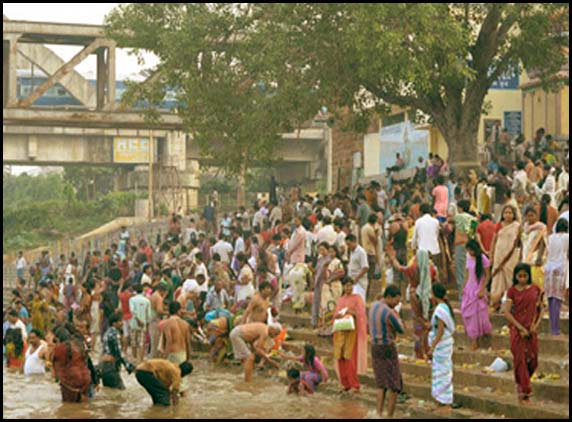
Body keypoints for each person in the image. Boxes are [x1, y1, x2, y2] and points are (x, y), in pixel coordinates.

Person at [503, 263, 544, 404]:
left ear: (529, 276)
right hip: (517, 330)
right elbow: (507, 312)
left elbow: (541, 310)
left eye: (525, 276)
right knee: (519, 360)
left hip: (531, 330)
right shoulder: (512, 292)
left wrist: (535, 326)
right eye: (519, 276)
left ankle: (522, 383)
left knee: (534, 360)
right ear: (515, 276)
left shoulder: (535, 290)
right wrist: (519, 328)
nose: (522, 279)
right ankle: (524, 392)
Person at [389, 249, 437, 360]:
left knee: (418, 326)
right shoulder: (431, 268)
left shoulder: (413, 268)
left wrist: (393, 258)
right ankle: (429, 352)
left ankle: (420, 354)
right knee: (428, 325)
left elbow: (400, 268)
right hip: (428, 296)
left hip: (415, 295)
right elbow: (436, 278)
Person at [369, 285, 405, 417]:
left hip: (374, 347)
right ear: (389, 297)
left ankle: (378, 413)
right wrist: (397, 315)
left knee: (381, 384)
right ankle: (390, 415)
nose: (396, 304)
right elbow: (401, 329)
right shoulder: (389, 313)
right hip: (387, 348)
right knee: (394, 385)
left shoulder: (373, 306)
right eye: (396, 300)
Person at [333, 277, 367, 393]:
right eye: (346, 286)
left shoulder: (357, 298)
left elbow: (361, 313)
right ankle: (344, 383)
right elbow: (336, 313)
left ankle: (354, 384)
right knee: (340, 356)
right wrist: (337, 315)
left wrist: (349, 312)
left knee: (350, 358)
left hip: (352, 332)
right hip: (341, 331)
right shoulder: (341, 299)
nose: (348, 288)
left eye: (350, 285)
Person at [427, 284, 456, 415]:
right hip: (444, 345)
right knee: (440, 372)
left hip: (442, 345)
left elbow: (440, 331)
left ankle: (445, 402)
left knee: (443, 373)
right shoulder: (443, 308)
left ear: (434, 295)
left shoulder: (440, 310)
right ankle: (439, 401)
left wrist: (432, 348)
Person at [460, 240, 492, 351]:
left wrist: (483, 289)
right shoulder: (468, 257)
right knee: (466, 312)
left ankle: (475, 341)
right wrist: (464, 287)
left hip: (478, 287)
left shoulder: (483, 258)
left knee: (476, 314)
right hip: (469, 287)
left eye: (470, 250)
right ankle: (473, 337)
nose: (469, 252)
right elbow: (467, 274)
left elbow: (488, 275)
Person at [490, 204, 522, 310]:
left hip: (511, 257)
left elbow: (518, 243)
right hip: (498, 255)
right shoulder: (499, 225)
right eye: (506, 213)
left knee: (510, 278)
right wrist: (491, 256)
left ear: (514, 215)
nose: (508, 215)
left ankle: (509, 304)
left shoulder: (517, 226)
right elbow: (493, 241)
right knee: (497, 279)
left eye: (510, 213)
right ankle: (496, 303)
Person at [159, 302, 192, 394]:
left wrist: (164, 359)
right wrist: (188, 357)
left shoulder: (167, 323)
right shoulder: (185, 324)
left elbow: (169, 342)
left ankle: (173, 407)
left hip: (172, 354)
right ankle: (184, 406)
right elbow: (188, 342)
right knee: (183, 384)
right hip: (183, 354)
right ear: (178, 310)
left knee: (171, 382)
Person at [52, 325, 91, 402]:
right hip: (85, 378)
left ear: (58, 339)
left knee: (68, 408)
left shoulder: (61, 348)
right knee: (83, 407)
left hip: (71, 381)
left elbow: (56, 367)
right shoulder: (79, 344)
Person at [544, 219, 569, 336]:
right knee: (557, 299)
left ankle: (552, 327)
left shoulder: (551, 237)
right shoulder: (567, 237)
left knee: (550, 297)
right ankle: (556, 329)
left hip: (549, 268)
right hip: (560, 268)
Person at [100, 313, 134, 389]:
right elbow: (118, 352)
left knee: (110, 393)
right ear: (114, 323)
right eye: (120, 321)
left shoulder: (107, 332)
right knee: (120, 391)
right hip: (111, 367)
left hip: (105, 366)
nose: (122, 323)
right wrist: (128, 366)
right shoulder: (115, 333)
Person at [452, 200, 477, 301]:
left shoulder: (459, 216)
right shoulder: (474, 219)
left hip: (460, 245)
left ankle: (462, 298)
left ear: (460, 208)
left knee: (461, 273)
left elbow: (450, 219)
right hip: (470, 246)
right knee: (470, 271)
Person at [411, 204, 442, 279]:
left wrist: (413, 248)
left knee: (423, 273)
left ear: (420, 212)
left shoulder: (418, 222)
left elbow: (414, 237)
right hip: (434, 250)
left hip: (422, 251)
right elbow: (437, 235)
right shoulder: (436, 222)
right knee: (434, 271)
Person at [522, 207, 548, 289]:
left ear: (536, 216)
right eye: (528, 216)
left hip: (534, 256)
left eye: (532, 215)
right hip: (525, 255)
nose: (530, 218)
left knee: (535, 280)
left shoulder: (541, 227)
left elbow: (543, 243)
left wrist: (539, 257)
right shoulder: (525, 227)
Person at [130, 283, 152, 361]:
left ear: (135, 291)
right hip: (143, 324)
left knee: (133, 342)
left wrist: (138, 320)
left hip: (134, 324)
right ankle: (141, 360)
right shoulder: (146, 301)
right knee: (142, 343)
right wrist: (147, 324)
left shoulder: (132, 300)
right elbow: (148, 315)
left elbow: (132, 311)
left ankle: (134, 359)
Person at [346, 234, 369, 304]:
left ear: (354, 242)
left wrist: (357, 278)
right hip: (352, 281)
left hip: (359, 282)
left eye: (349, 244)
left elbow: (365, 267)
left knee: (359, 302)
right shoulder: (351, 252)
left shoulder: (361, 252)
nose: (348, 246)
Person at [150, 284, 168, 358]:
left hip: (151, 318)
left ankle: (153, 357)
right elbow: (159, 311)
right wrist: (168, 313)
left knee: (153, 341)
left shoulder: (153, 295)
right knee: (156, 342)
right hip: (155, 319)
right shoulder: (158, 298)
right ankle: (154, 359)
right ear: (162, 291)